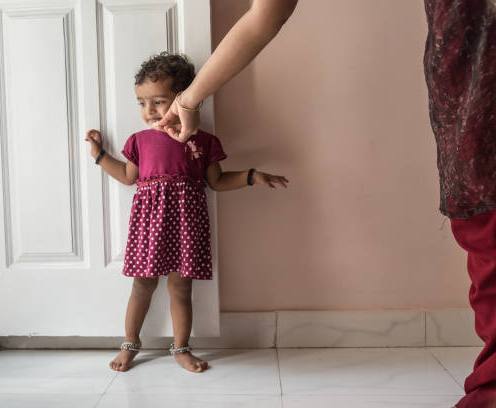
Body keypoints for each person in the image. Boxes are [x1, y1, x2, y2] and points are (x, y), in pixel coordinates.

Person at [156, 1, 496, 406]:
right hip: (474, 88)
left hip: (473, 82)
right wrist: (190, 101)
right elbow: (265, 15)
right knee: (487, 240)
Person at [85, 52, 289, 373]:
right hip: (149, 225)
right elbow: (128, 176)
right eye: (141, 103)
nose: (149, 111)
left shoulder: (203, 141)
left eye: (158, 101)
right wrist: (99, 155)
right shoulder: (139, 141)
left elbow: (217, 181)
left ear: (184, 100)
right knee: (142, 284)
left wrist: (251, 176)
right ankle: (130, 343)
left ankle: (181, 348)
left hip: (186, 224)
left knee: (181, 288)